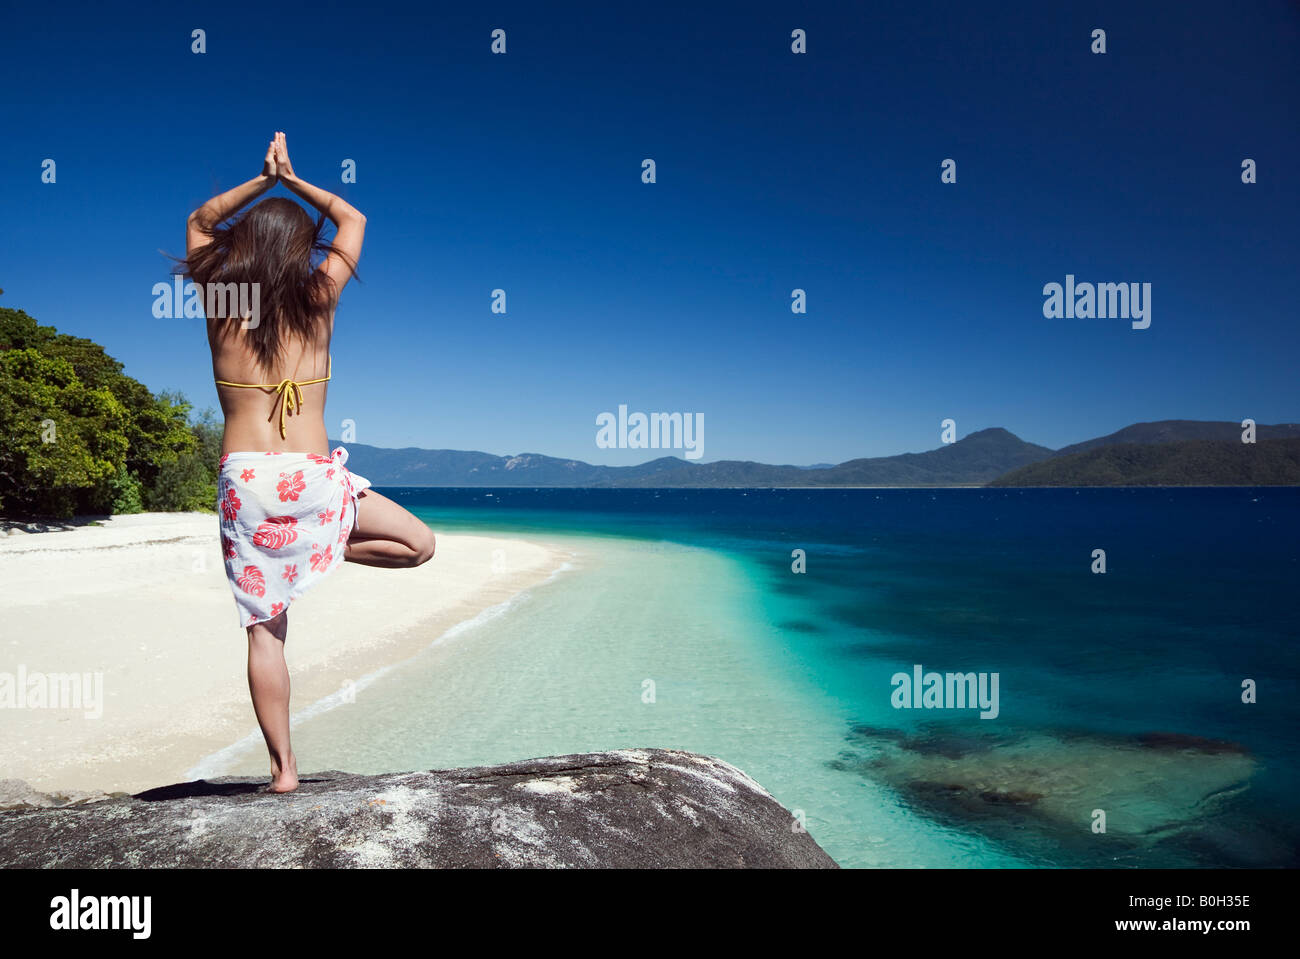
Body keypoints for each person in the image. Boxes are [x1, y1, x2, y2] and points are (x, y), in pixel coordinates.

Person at [183, 132, 436, 793]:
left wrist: (260, 182)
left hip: (248, 490)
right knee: (420, 544)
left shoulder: (220, 305)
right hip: (314, 482)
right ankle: (325, 551)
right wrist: (292, 179)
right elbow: (353, 219)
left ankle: (284, 771)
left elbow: (199, 221)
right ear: (302, 250)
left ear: (243, 248)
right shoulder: (318, 301)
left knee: (265, 633)